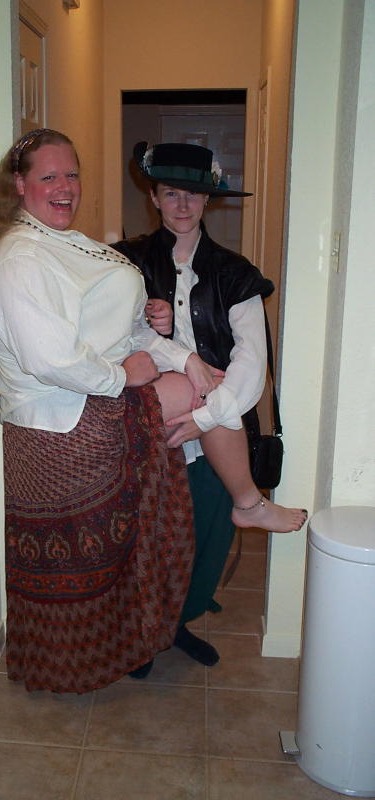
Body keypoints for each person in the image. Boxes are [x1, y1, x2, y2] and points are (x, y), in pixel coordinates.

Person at [0, 129, 226, 693]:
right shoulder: (19, 257)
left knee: (133, 537)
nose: (65, 187)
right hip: (61, 424)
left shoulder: (69, 243)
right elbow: (49, 359)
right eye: (48, 177)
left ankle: (140, 637)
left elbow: (129, 331)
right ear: (20, 185)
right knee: (84, 561)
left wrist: (183, 356)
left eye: (72, 175)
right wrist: (123, 376)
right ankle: (82, 660)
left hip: (94, 405)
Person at [113, 141, 307, 667]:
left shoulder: (235, 273)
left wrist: (205, 418)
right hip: (150, 418)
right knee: (145, 533)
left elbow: (251, 363)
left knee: (203, 534)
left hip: (214, 428)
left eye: (193, 194)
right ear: (153, 197)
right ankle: (141, 632)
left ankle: (175, 625)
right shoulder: (125, 262)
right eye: (171, 193)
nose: (182, 204)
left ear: (208, 200)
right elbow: (108, 337)